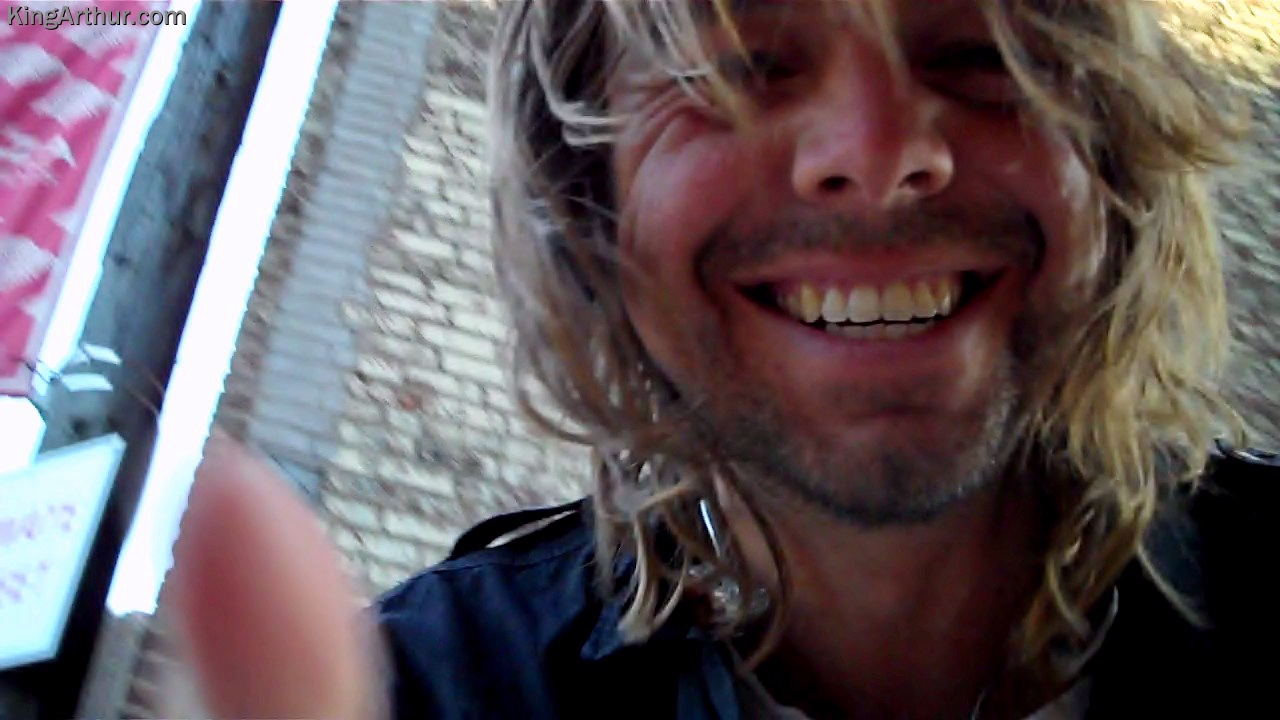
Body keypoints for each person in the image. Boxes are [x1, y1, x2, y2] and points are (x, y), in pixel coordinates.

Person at [169, 1, 1280, 718]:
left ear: (1113, 157)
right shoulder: (424, 692)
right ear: (589, 199)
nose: (878, 154)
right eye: (739, 68)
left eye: (978, 53)